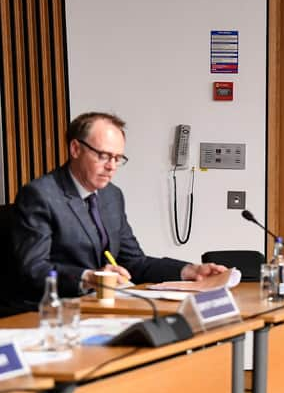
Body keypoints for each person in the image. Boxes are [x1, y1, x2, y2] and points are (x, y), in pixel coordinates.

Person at [9, 112, 228, 308]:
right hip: (52, 311)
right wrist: (88, 277)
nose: (111, 166)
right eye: (104, 156)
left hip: (104, 306)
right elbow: (34, 268)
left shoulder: (112, 196)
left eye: (118, 158)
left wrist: (189, 271)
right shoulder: (41, 195)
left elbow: (134, 262)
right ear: (75, 149)